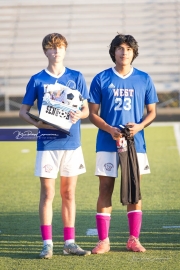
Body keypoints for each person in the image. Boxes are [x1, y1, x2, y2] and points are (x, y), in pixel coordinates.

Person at [19, 33, 91, 258]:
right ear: (45, 52)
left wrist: (78, 115)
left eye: (59, 47)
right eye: (51, 47)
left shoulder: (77, 76)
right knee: (48, 193)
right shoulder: (37, 79)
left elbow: (86, 110)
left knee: (69, 193)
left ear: (65, 49)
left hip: (72, 143)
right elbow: (23, 111)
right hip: (47, 143)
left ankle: (69, 242)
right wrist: (38, 123)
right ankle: (47, 243)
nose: (56, 51)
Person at [88, 34, 158, 254]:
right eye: (119, 48)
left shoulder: (144, 78)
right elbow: (92, 114)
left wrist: (138, 127)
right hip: (107, 142)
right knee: (105, 187)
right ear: (114, 52)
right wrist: (109, 129)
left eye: (128, 48)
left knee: (134, 189)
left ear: (134, 52)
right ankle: (104, 241)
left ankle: (133, 239)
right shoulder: (101, 78)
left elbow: (152, 112)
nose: (124, 52)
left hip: (135, 143)